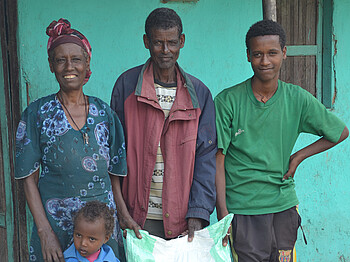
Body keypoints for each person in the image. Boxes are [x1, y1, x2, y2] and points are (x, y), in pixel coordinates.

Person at [214, 19, 349, 262]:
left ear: (284, 54)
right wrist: (223, 214)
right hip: (243, 210)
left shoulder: (296, 98)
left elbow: (339, 132)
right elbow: (218, 160)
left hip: (283, 207)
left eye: (272, 53)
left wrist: (299, 156)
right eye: (257, 54)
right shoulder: (228, 101)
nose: (265, 61)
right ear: (248, 56)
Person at [15, 18, 127, 262]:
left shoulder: (104, 113)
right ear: (51, 65)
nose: (69, 67)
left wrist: (124, 216)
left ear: (87, 63)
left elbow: (114, 174)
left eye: (76, 59)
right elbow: (28, 179)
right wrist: (45, 231)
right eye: (60, 60)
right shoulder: (37, 114)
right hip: (56, 228)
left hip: (101, 233)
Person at [110, 8, 217, 241]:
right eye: (158, 42)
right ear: (146, 41)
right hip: (137, 218)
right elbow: (114, 155)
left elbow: (206, 158)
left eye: (172, 42)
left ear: (182, 41)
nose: (165, 50)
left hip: (182, 219)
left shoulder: (199, 94)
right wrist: (122, 210)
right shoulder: (127, 86)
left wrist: (198, 212)